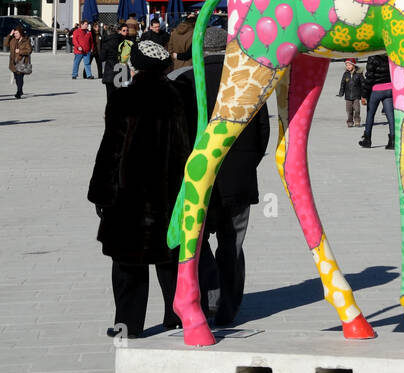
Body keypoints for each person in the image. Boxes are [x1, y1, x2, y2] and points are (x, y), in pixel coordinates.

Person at [87, 39, 196, 337]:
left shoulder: (124, 98)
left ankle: (128, 325)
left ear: (136, 65)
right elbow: (188, 148)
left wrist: (100, 193)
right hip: (171, 192)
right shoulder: (181, 96)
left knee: (127, 264)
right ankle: (178, 315)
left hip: (129, 195)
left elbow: (111, 150)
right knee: (171, 259)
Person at [172, 26, 270, 326]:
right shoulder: (248, 80)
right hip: (238, 178)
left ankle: (208, 299)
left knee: (196, 245)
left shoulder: (185, 81)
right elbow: (263, 132)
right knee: (232, 244)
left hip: (198, 178)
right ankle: (229, 306)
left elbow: (178, 134)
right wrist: (247, 163)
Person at [358, 51, 394, 150]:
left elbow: (369, 77)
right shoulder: (392, 55)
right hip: (389, 89)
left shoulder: (373, 57)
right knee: (390, 116)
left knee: (370, 115)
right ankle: (393, 140)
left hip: (376, 90)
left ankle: (367, 140)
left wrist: (364, 95)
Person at [101, 20, 133, 104]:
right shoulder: (124, 41)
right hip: (122, 71)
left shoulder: (106, 42)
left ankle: (111, 115)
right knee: (122, 98)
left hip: (110, 72)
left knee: (110, 98)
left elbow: (102, 58)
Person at [5, 24, 33, 99]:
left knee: (20, 77)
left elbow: (29, 50)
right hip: (13, 62)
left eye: (16, 33)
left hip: (22, 63)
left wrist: (20, 51)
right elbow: (5, 44)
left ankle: (18, 92)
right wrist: (10, 35)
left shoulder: (26, 40)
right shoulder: (13, 40)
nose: (15, 35)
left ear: (21, 33)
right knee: (16, 78)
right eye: (14, 33)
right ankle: (20, 90)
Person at [339, 57, 364, 127]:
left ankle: (357, 121)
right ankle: (350, 121)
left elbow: (363, 84)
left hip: (356, 95)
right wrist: (341, 92)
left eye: (349, 65)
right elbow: (342, 84)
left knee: (357, 109)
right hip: (348, 96)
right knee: (349, 110)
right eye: (346, 65)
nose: (348, 67)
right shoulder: (345, 74)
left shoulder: (359, 74)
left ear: (353, 65)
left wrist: (364, 94)